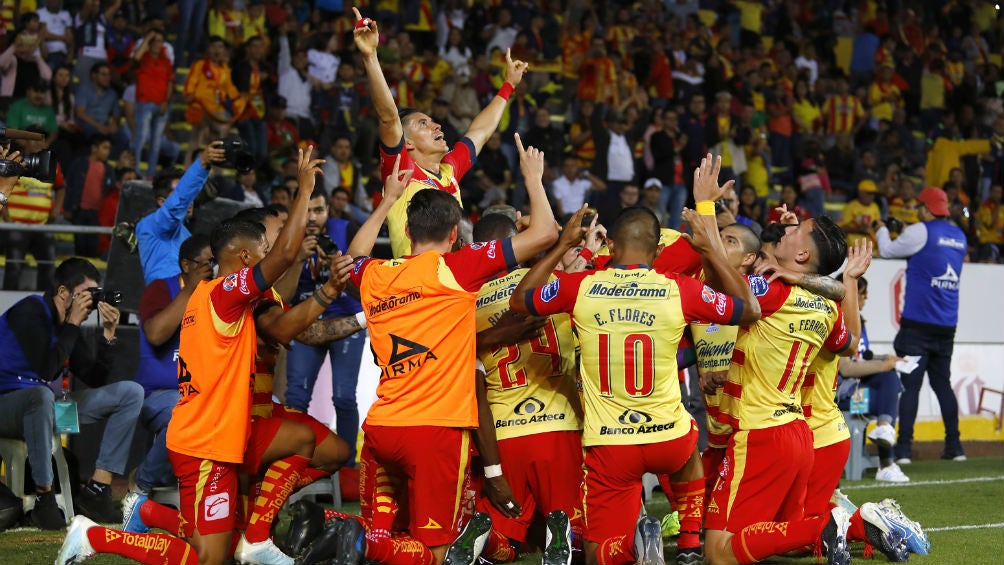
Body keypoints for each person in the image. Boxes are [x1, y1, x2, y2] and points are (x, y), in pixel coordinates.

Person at [56, 147, 323, 565]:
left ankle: (148, 512)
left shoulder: (204, 293)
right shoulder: (225, 293)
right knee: (205, 558)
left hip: (205, 437)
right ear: (248, 258)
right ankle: (94, 538)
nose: (271, 251)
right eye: (263, 247)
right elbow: (285, 256)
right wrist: (304, 189)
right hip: (205, 445)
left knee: (217, 540)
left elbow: (282, 301)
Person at [510, 156, 761, 565]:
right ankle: (691, 543)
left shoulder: (582, 285)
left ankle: (629, 548)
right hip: (668, 437)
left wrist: (562, 246)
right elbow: (748, 309)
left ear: (610, 246)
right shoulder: (677, 287)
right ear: (655, 248)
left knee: (599, 553)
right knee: (688, 452)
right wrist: (711, 248)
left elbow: (522, 300)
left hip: (610, 444)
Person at [332, 135, 557, 565]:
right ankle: (363, 542)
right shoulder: (456, 267)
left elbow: (355, 255)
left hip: (380, 429)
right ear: (455, 234)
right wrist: (533, 178)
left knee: (392, 529)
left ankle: (346, 531)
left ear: (409, 230)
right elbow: (545, 232)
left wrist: (386, 201)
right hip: (435, 432)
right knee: (434, 552)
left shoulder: (378, 275)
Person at [353, 7, 529, 257]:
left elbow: (480, 132)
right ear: (408, 144)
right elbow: (389, 118)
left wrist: (508, 86)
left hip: (451, 281)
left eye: (433, 121)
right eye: (423, 124)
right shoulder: (401, 170)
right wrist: (370, 57)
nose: (436, 126)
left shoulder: (449, 170)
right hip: (415, 284)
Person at [469, 212, 587, 565]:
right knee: (583, 534)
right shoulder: (558, 283)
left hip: (504, 435)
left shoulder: (468, 303)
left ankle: (487, 541)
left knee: (507, 537)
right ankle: (563, 537)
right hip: (560, 428)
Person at [0, 257, 143, 528]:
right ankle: (45, 499)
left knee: (130, 393)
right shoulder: (30, 310)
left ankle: (98, 490)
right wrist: (73, 325)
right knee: (40, 395)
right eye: (84, 295)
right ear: (63, 293)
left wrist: (109, 335)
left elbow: (95, 378)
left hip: (42, 409)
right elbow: (46, 369)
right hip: (7, 406)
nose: (88, 304)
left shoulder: (68, 325)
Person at [876, 186, 967, 463]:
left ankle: (903, 450)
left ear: (927, 209)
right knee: (942, 385)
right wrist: (909, 231)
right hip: (946, 325)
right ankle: (955, 447)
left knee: (911, 387)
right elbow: (932, 253)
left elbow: (888, 250)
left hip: (917, 325)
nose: (916, 212)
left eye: (919, 208)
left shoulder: (920, 231)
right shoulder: (960, 236)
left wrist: (882, 228)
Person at [283, 186, 366, 465]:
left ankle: (347, 467)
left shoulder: (347, 230)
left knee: (343, 397)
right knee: (295, 398)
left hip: (345, 321)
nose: (311, 217)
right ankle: (294, 463)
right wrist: (296, 262)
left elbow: (363, 292)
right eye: (306, 210)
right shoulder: (287, 237)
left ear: (328, 211)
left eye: (318, 210)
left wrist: (341, 270)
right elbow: (283, 295)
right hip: (305, 323)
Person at [128, 235, 214, 499]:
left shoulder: (216, 292)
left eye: (215, 262)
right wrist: (190, 290)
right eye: (207, 262)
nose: (213, 268)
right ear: (187, 265)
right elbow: (155, 334)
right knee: (188, 413)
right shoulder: (161, 289)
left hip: (202, 392)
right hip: (158, 393)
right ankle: (142, 482)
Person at [836, 275, 911, 483]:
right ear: (848, 293)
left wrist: (885, 358)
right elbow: (848, 368)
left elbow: (861, 356)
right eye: (862, 293)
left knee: (888, 379)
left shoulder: (857, 321)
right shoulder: (835, 320)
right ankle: (886, 461)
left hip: (856, 393)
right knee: (888, 381)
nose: (865, 298)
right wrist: (886, 365)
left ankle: (885, 432)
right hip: (840, 397)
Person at [135, 142, 226, 284]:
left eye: (191, 198)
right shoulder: (152, 224)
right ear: (162, 201)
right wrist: (202, 163)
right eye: (177, 194)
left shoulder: (186, 234)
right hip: (165, 299)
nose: (188, 201)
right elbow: (180, 202)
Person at [2, 129, 64, 291]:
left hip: (40, 226)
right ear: (25, 141)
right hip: (16, 225)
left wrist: (56, 207)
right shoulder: (13, 161)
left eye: (41, 140)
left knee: (49, 266)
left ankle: (44, 300)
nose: (38, 143)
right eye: (34, 139)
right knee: (14, 267)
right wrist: (7, 218)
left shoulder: (52, 164)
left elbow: (61, 188)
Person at [131, 27, 174, 178]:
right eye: (154, 41)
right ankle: (134, 171)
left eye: (160, 41)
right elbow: (135, 57)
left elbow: (170, 82)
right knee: (141, 139)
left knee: (156, 143)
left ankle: (151, 174)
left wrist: (166, 102)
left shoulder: (166, 61)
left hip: (161, 105)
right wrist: (147, 38)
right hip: (144, 103)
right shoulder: (143, 57)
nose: (157, 44)